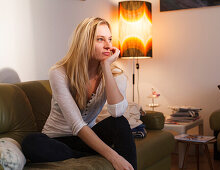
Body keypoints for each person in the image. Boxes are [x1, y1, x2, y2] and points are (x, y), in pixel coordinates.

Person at [21, 17, 137, 170]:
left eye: (110, 39)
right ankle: (87, 154)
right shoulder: (59, 72)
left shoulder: (116, 75)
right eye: (100, 39)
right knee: (31, 142)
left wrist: (106, 67)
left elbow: (117, 111)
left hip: (89, 139)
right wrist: (113, 156)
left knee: (119, 122)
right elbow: (76, 125)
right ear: (85, 42)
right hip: (57, 140)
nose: (109, 45)